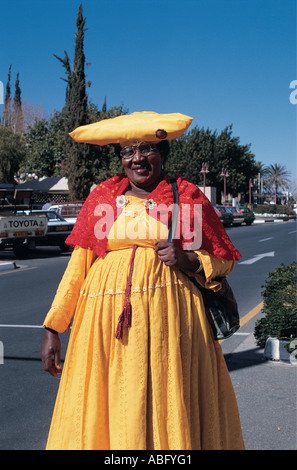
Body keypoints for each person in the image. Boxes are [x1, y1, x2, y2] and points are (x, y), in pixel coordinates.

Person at [41, 111, 245, 450]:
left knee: (167, 401)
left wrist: (189, 259)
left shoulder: (186, 197)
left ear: (162, 154)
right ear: (121, 159)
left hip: (172, 326)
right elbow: (79, 266)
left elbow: (224, 260)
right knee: (110, 403)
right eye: (127, 151)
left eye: (146, 148)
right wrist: (53, 327)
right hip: (103, 330)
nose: (137, 158)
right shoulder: (104, 198)